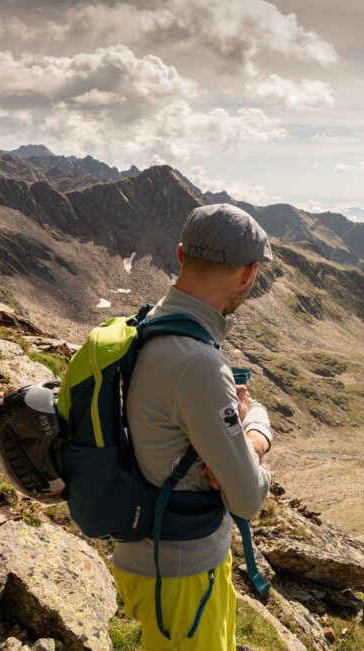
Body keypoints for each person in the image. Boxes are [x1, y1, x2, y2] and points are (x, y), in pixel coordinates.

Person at [111, 203, 276, 650]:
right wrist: (256, 430)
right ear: (248, 274)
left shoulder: (152, 324)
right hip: (181, 574)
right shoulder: (198, 363)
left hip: (157, 558)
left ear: (182, 255)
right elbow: (246, 496)